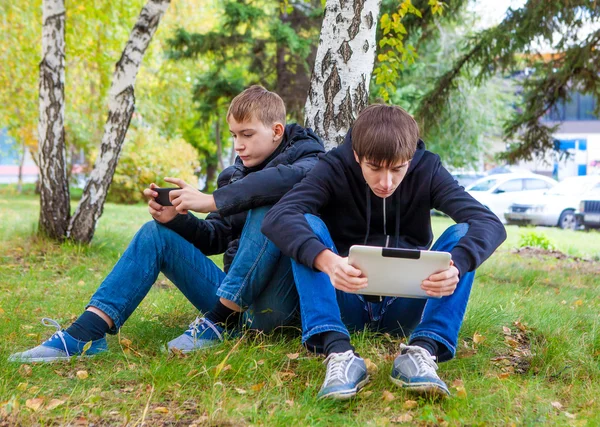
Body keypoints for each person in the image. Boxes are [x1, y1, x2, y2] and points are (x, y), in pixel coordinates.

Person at [9, 85, 324, 363]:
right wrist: (179, 220)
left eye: (247, 135)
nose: (238, 145)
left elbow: (287, 180)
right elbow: (215, 238)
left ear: (277, 131)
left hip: (277, 305)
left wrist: (212, 199)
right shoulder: (233, 175)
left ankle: (219, 320)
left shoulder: (309, 158)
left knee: (272, 202)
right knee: (154, 234)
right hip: (232, 301)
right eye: (233, 136)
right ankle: (86, 334)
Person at [261, 104, 506, 399]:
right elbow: (278, 216)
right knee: (307, 225)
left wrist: (458, 266)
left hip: (407, 303)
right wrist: (327, 262)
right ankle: (338, 351)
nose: (386, 182)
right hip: (345, 299)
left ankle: (423, 351)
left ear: (410, 159)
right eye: (374, 168)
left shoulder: (428, 168)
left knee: (463, 234)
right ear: (357, 155)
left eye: (398, 169)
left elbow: (489, 223)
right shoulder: (334, 166)